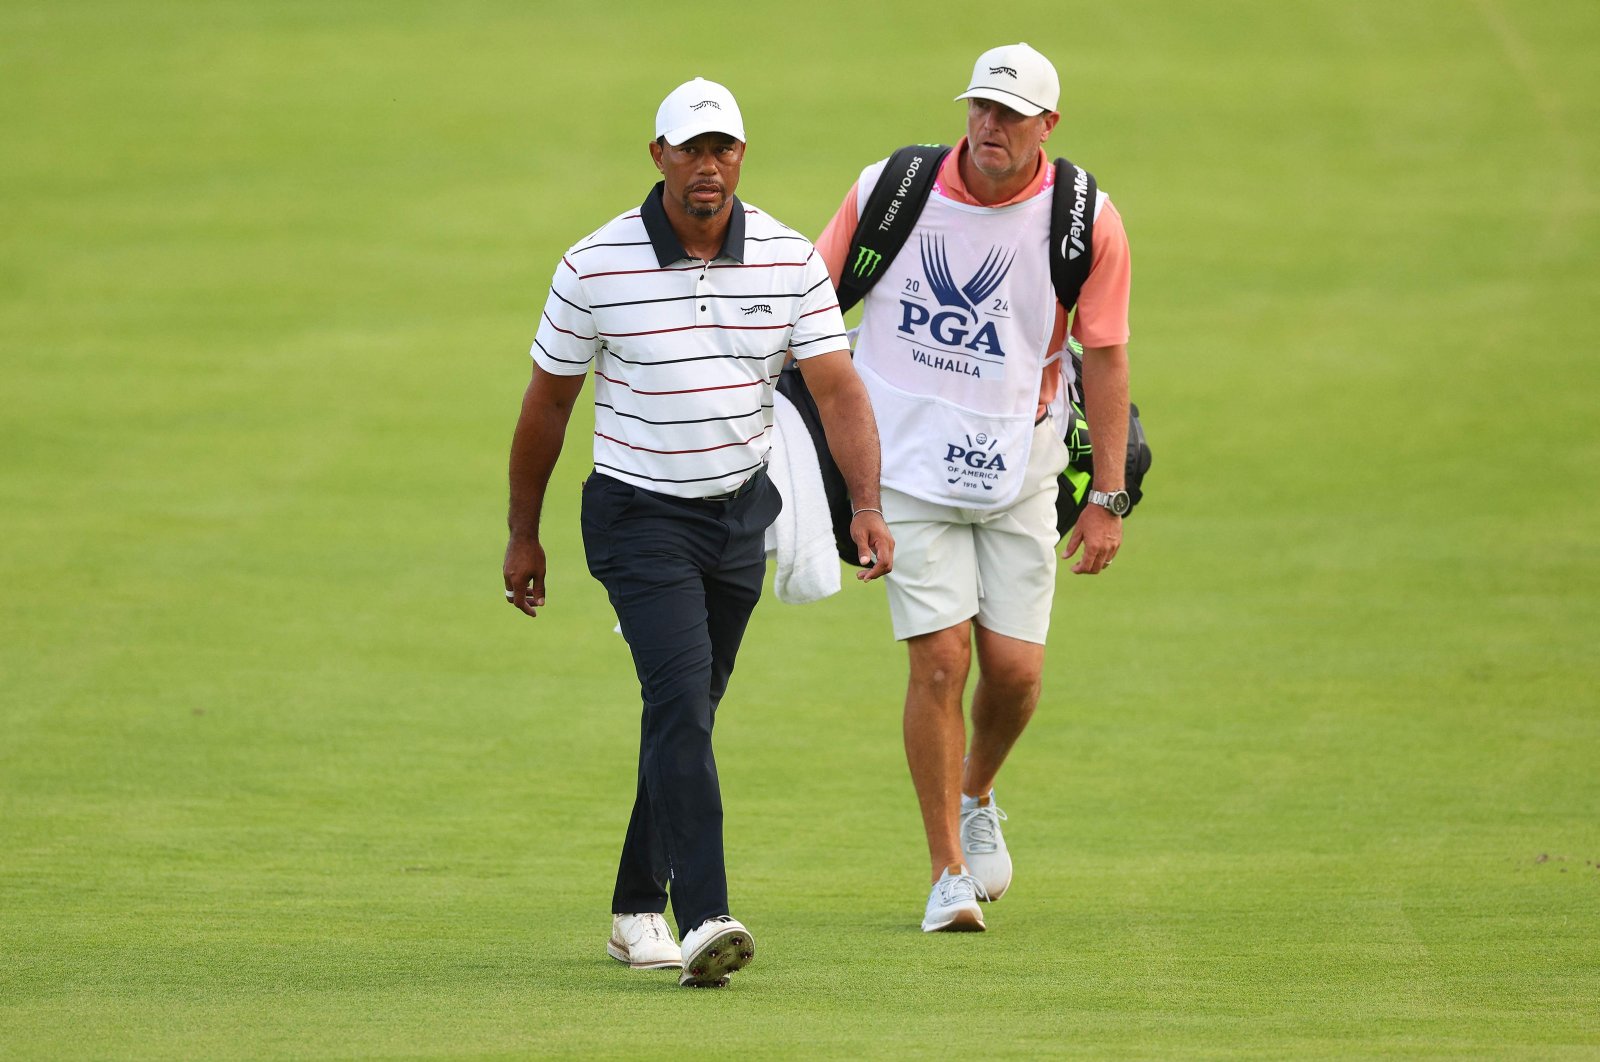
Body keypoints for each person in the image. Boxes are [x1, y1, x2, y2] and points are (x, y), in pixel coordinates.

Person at [503, 77, 893, 988]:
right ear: (659, 158)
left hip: (738, 518)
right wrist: (524, 533)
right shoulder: (594, 265)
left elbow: (838, 390)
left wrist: (865, 504)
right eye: (690, 149)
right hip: (638, 519)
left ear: (741, 158)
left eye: (723, 149)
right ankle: (705, 913)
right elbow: (546, 408)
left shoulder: (792, 261)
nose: (706, 167)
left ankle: (634, 906)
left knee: (686, 713)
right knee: (681, 705)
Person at [814, 43, 1132, 932]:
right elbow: (809, 306)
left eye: (1012, 115)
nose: (991, 127)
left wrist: (1107, 495)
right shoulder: (894, 191)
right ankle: (947, 875)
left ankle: (976, 792)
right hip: (903, 471)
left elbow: (1104, 357)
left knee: (1018, 676)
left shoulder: (1084, 221)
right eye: (980, 109)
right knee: (941, 660)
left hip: (1020, 469)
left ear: (1047, 128)